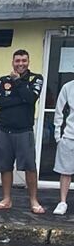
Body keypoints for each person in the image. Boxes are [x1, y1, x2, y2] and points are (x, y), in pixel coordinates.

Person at [0, 49, 45, 213]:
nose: (20, 63)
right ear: (12, 62)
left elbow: (31, 98)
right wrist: (21, 99)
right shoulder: (3, 79)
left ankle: (34, 201)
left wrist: (18, 83)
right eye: (17, 61)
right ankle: (7, 200)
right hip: (4, 131)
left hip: (24, 131)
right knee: (5, 166)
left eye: (24, 60)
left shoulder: (36, 78)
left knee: (30, 166)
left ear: (28, 62)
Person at [52, 78, 74, 215]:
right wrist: (57, 135)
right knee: (65, 171)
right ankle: (62, 202)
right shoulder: (68, 87)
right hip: (69, 136)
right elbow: (59, 110)